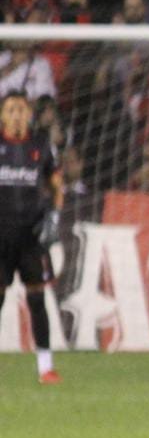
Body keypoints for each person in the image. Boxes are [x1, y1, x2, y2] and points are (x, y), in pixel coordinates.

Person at [0, 89, 62, 384]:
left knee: (37, 298)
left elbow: (56, 185)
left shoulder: (41, 146)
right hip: (1, 235)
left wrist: (54, 217)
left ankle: (46, 367)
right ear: (2, 116)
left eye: (21, 109)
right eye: (11, 109)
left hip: (31, 236)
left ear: (29, 114)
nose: (16, 115)